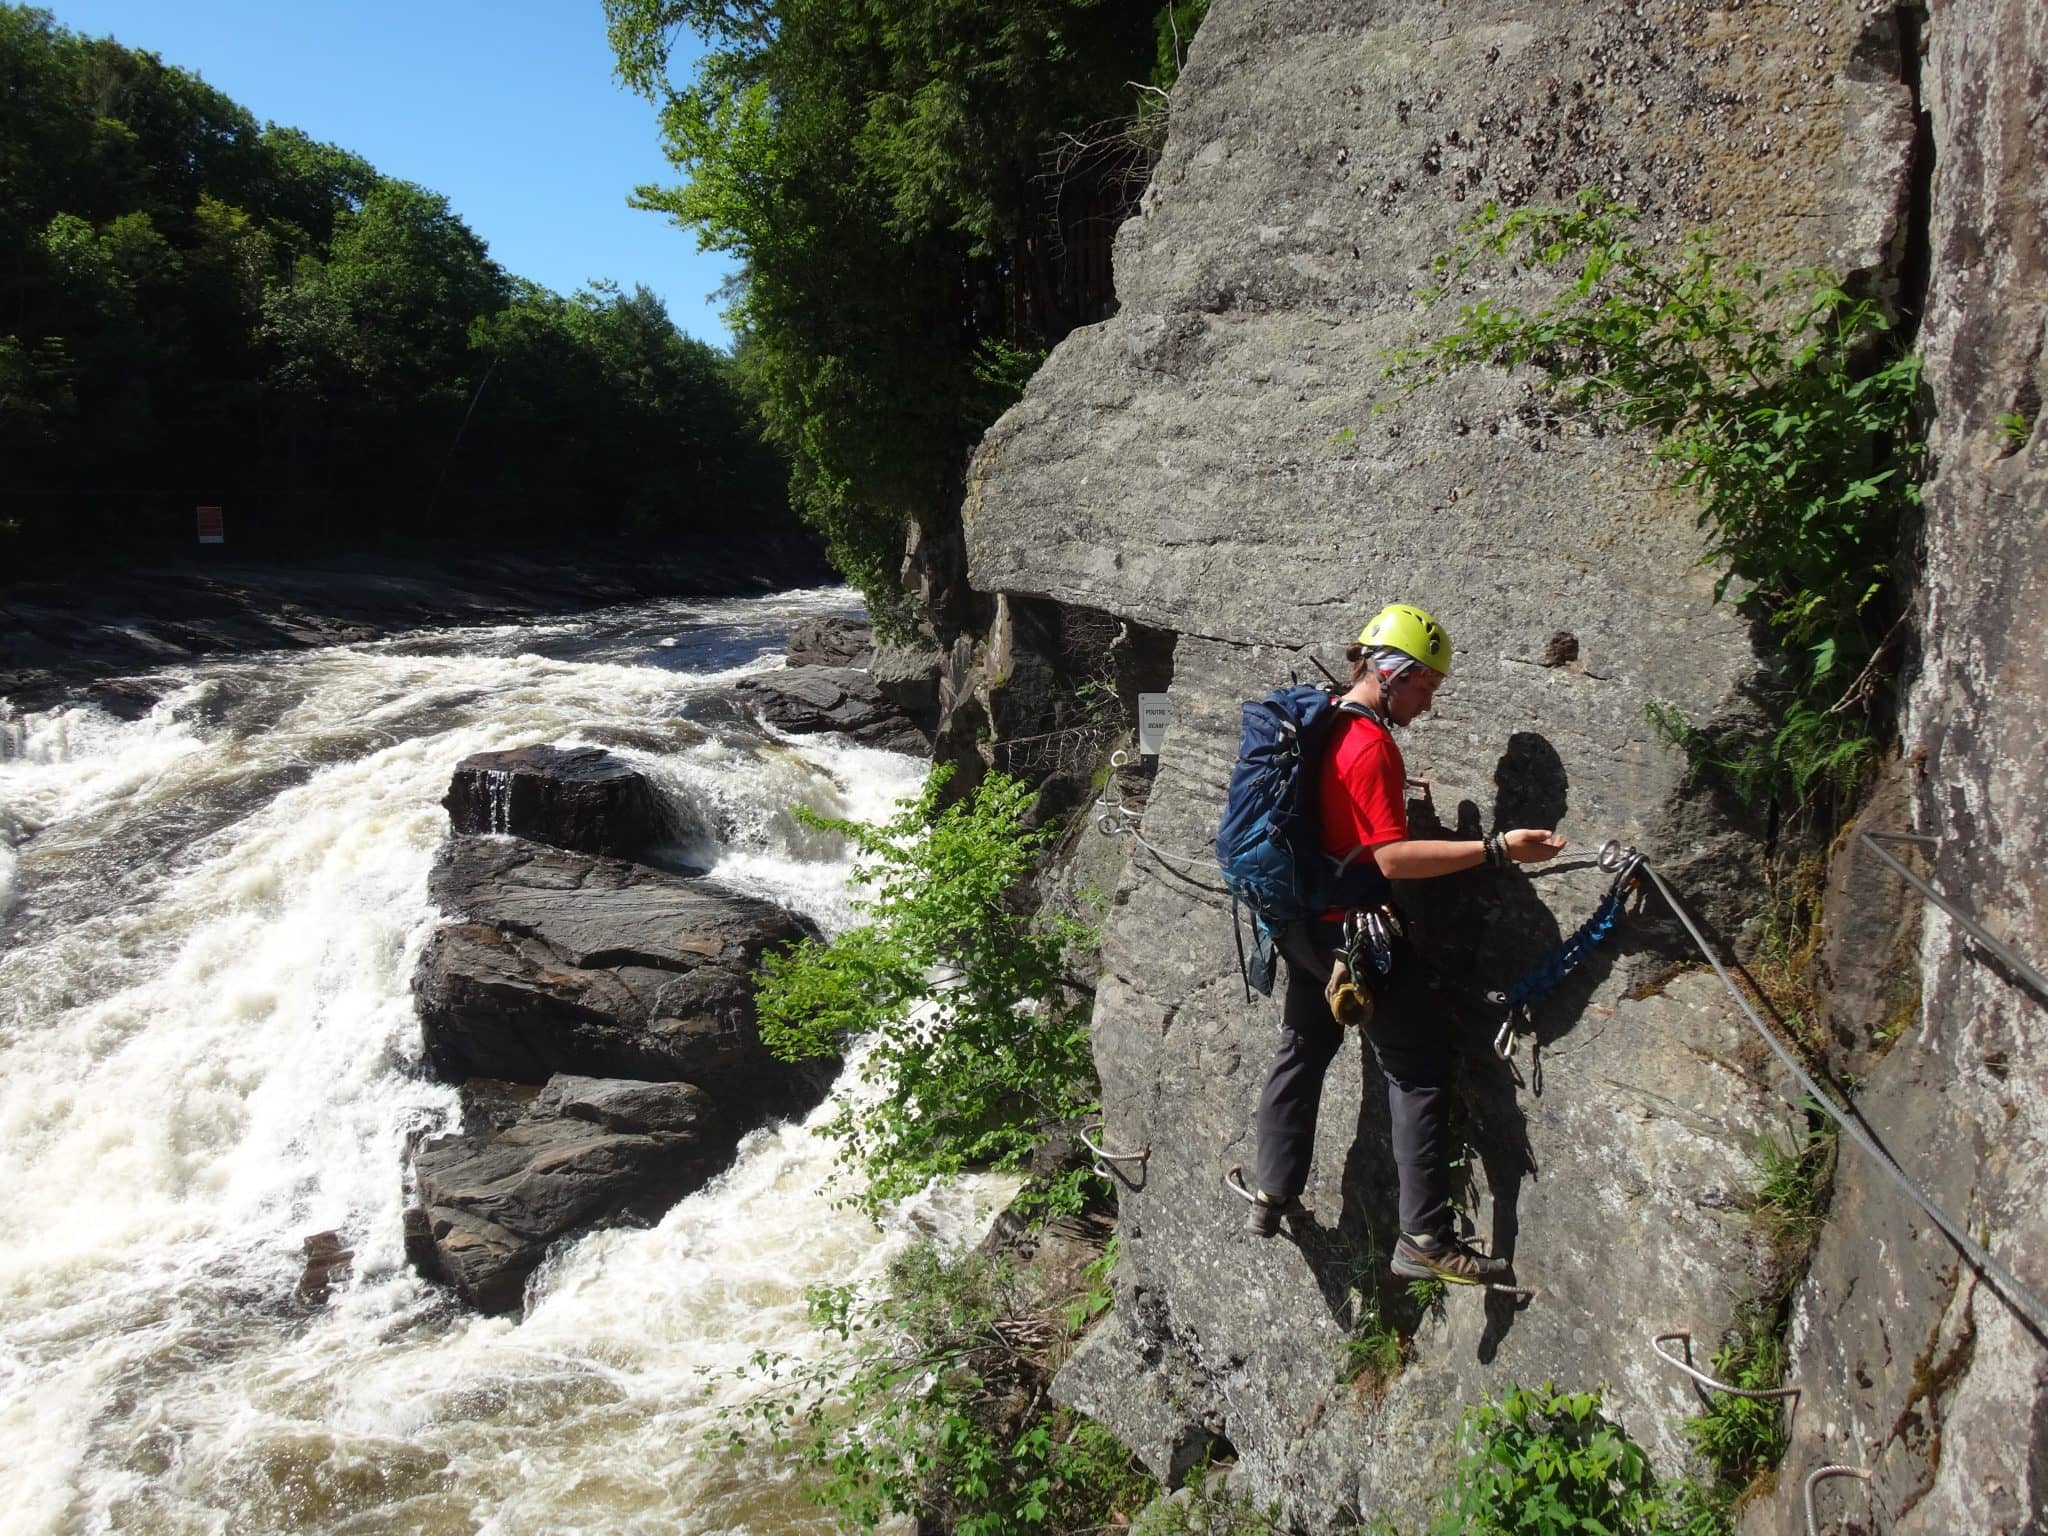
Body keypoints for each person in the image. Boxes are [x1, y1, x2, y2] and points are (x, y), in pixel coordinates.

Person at [1244, 603, 1566, 1285]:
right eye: (1426, 688)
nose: (1428, 703)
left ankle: (1272, 1191)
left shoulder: (1325, 717)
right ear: (1395, 674)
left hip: (1302, 923)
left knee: (1304, 1046)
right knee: (1417, 1067)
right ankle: (1424, 1237)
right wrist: (1495, 848)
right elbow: (1390, 860)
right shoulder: (1370, 744)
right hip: (1353, 933)